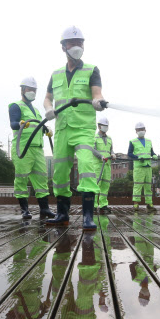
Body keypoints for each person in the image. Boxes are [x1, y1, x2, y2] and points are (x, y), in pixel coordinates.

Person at [43, 26, 106, 230]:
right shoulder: (56, 74)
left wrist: (98, 101)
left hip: (83, 129)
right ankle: (62, 214)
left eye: (80, 42)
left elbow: (97, 94)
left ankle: (88, 216)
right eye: (73, 43)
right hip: (62, 129)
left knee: (87, 166)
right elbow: (47, 98)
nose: (77, 46)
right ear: (63, 47)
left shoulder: (91, 70)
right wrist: (49, 109)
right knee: (60, 173)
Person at [8, 76, 56, 220]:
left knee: (41, 179)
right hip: (23, 148)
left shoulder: (36, 110)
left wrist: (45, 130)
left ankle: (45, 209)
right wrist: (21, 123)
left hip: (37, 149)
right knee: (21, 179)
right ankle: (24, 210)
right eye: (30, 89)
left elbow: (37, 127)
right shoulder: (15, 106)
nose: (32, 92)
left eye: (34, 90)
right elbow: (13, 124)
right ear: (23, 90)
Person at [128, 122, 158, 212]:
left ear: (145, 130)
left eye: (142, 129)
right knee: (138, 185)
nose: (141, 131)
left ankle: (149, 203)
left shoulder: (149, 141)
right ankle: (136, 204)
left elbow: (151, 152)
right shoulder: (132, 141)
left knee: (148, 186)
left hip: (148, 166)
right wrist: (137, 158)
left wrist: (154, 155)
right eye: (139, 130)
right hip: (139, 167)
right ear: (136, 131)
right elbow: (129, 153)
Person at [94, 116, 116, 214]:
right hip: (98, 165)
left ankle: (103, 205)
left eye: (107, 126)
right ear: (99, 126)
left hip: (107, 165)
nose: (105, 127)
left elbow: (111, 149)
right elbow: (92, 149)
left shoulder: (110, 138)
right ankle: (93, 205)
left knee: (105, 185)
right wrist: (100, 156)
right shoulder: (94, 138)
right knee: (96, 185)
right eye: (104, 125)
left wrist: (113, 154)